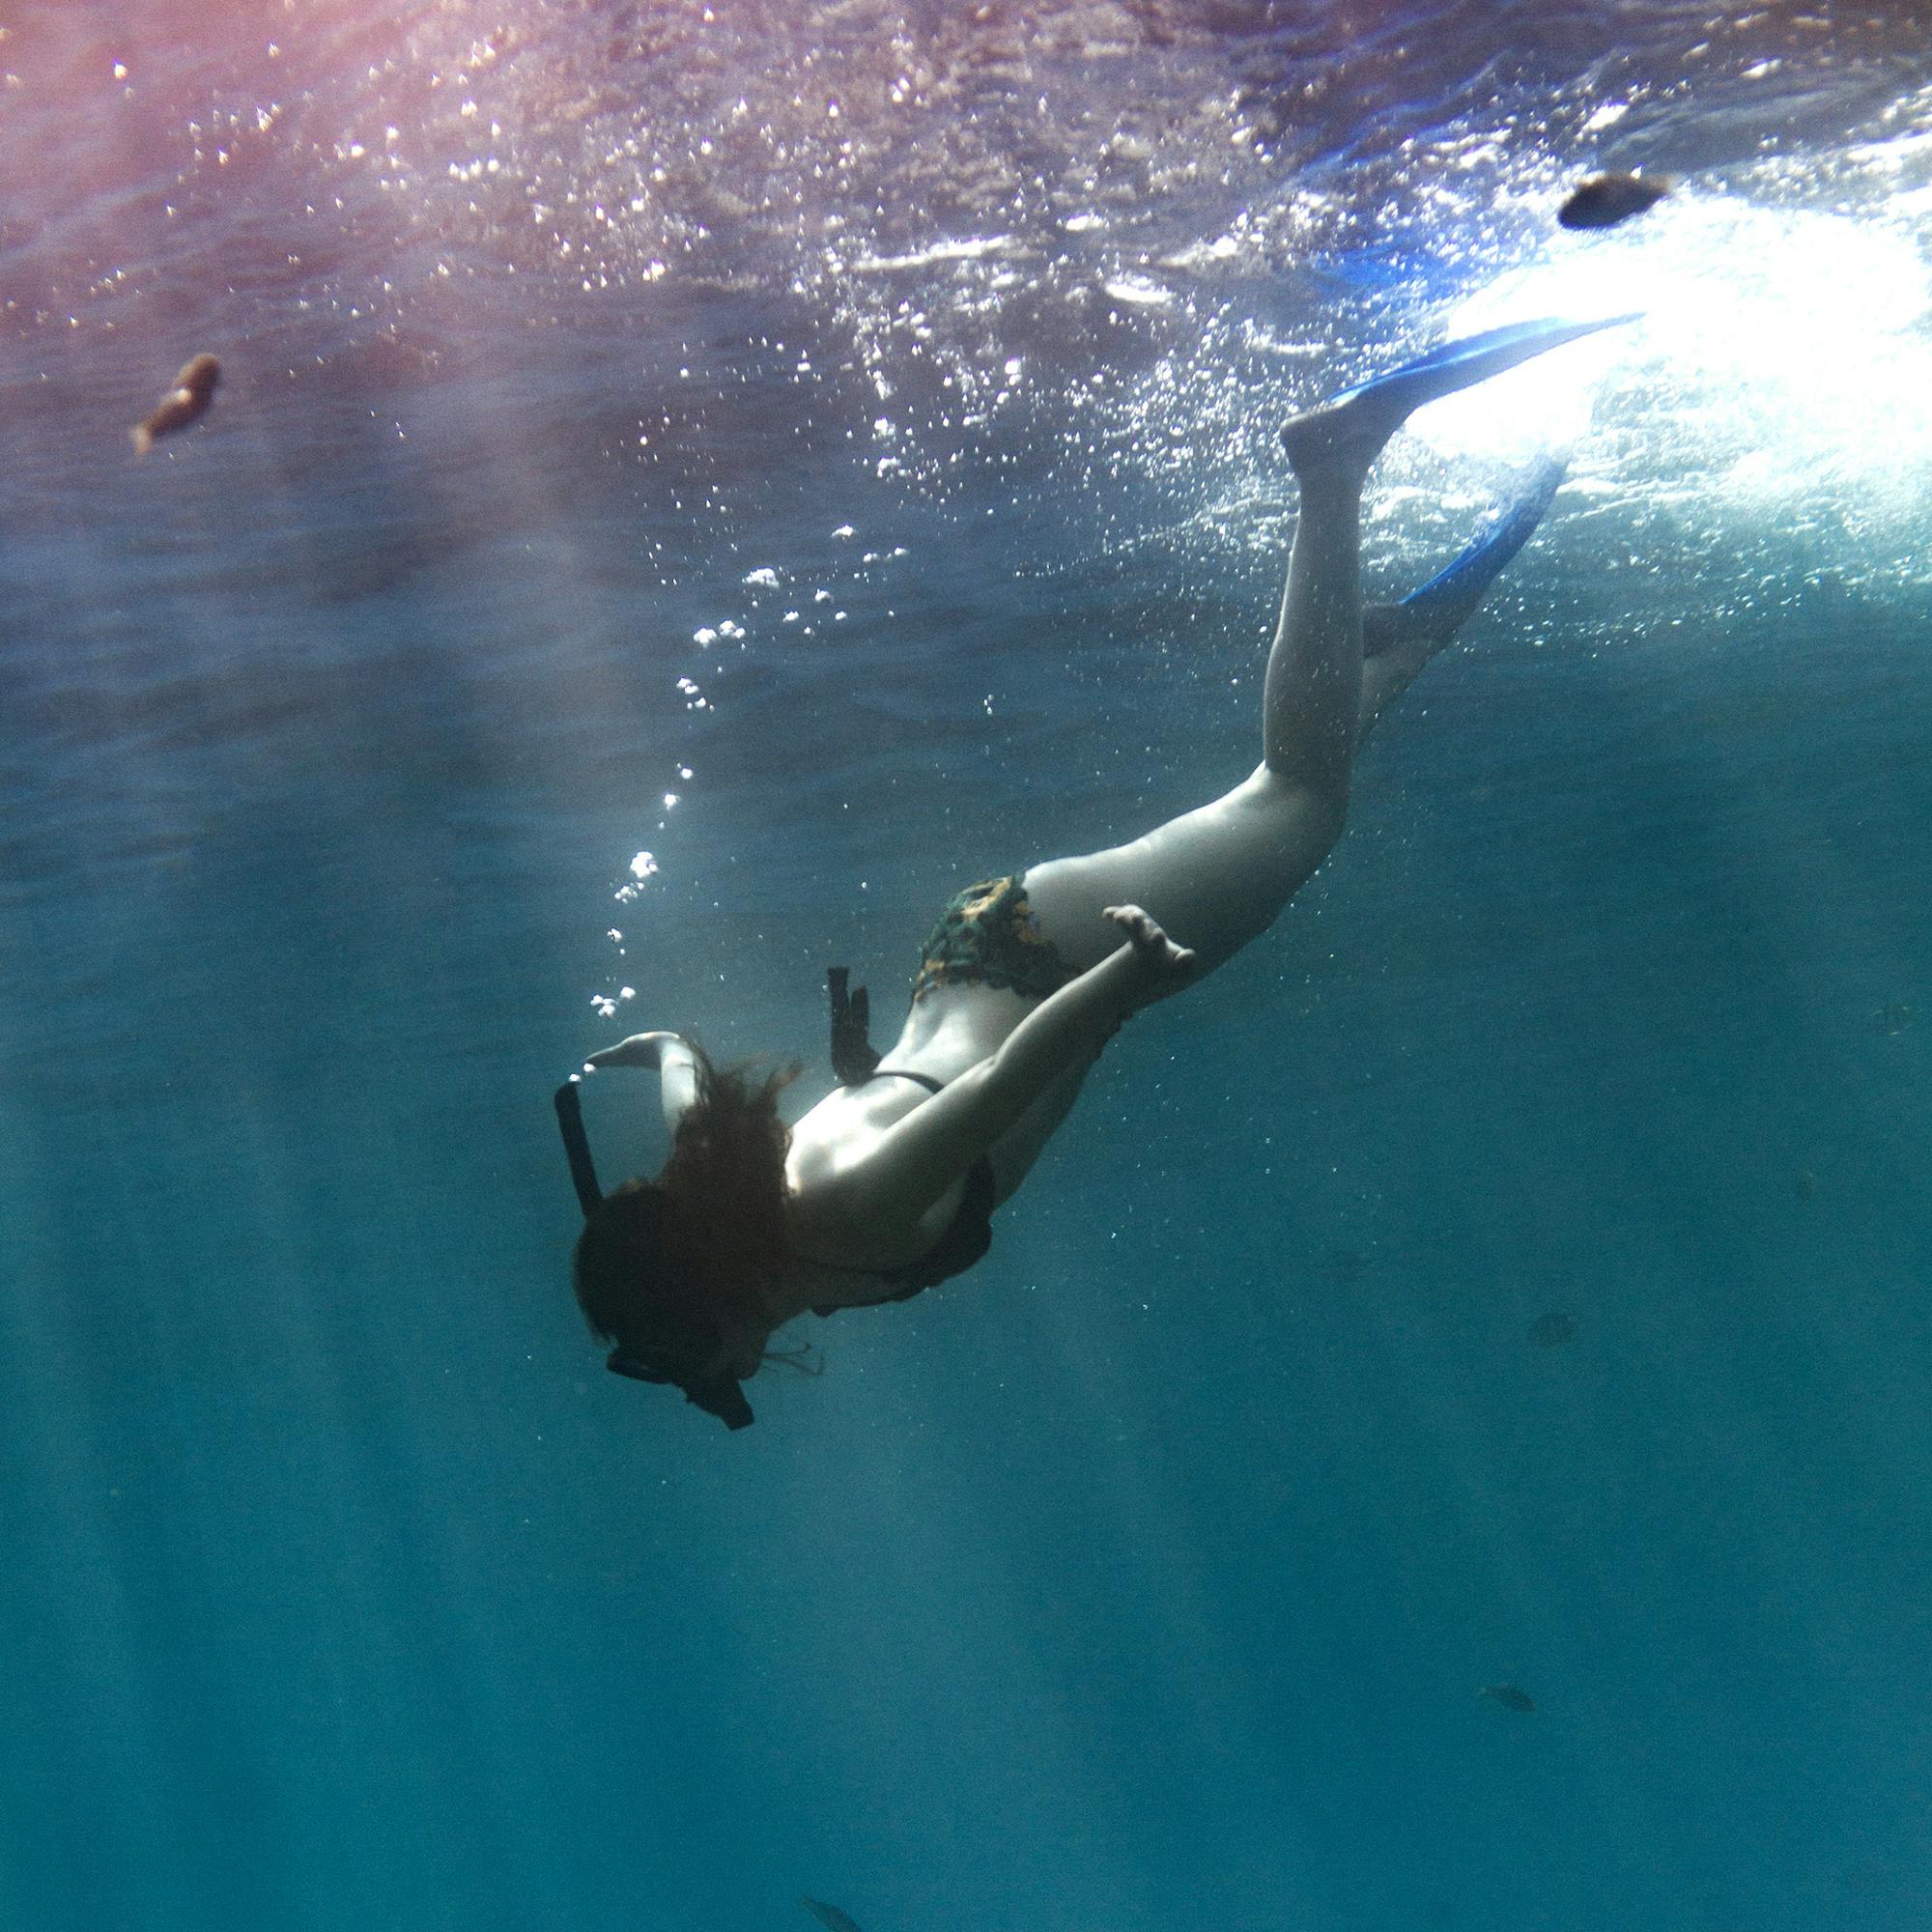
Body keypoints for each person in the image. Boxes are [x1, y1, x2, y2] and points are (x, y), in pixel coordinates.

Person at [556, 316, 1632, 1429]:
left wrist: (1122, 980)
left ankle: (1332, 462)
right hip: (984, 952)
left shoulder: (843, 1217)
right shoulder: (744, 1202)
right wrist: (668, 1049)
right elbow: (690, 1063)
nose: (696, 1378)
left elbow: (997, 1090)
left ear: (704, 1303)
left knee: (1297, 800)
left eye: (675, 1355)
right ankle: (1371, 651)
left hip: (1056, 957)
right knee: (1312, 761)